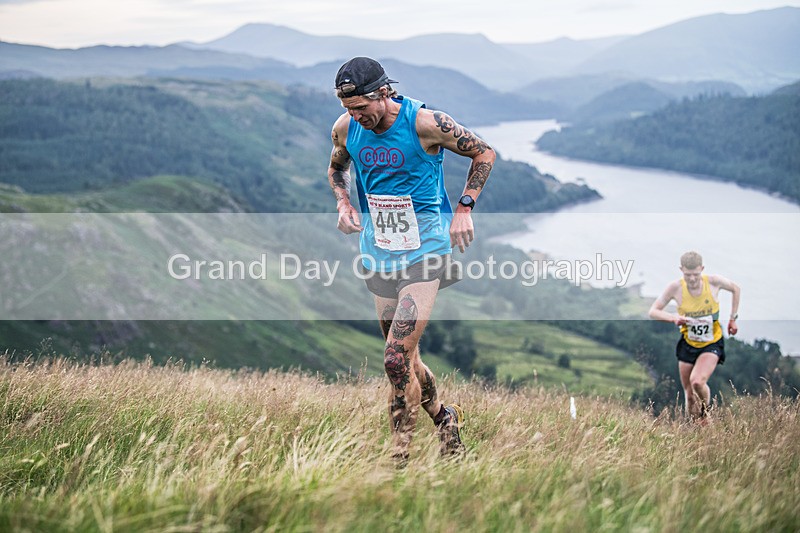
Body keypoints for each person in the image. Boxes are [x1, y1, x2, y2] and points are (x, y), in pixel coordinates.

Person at [327, 57, 496, 463]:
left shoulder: (426, 123)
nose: (355, 116)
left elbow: (485, 153)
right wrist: (343, 202)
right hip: (379, 252)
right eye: (348, 109)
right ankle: (444, 417)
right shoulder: (346, 128)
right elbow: (336, 169)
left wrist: (464, 208)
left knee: (393, 357)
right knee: (407, 359)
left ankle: (399, 457)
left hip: (425, 253)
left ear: (383, 93)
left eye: (361, 107)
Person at [649, 251, 741, 422]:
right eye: (687, 275)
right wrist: (673, 318)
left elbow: (736, 288)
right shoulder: (675, 288)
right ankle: (698, 429)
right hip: (688, 343)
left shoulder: (713, 282)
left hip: (711, 343)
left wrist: (732, 319)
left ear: (702, 269)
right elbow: (653, 311)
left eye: (696, 275)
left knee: (697, 382)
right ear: (681, 270)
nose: (691, 279)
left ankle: (706, 414)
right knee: (689, 394)